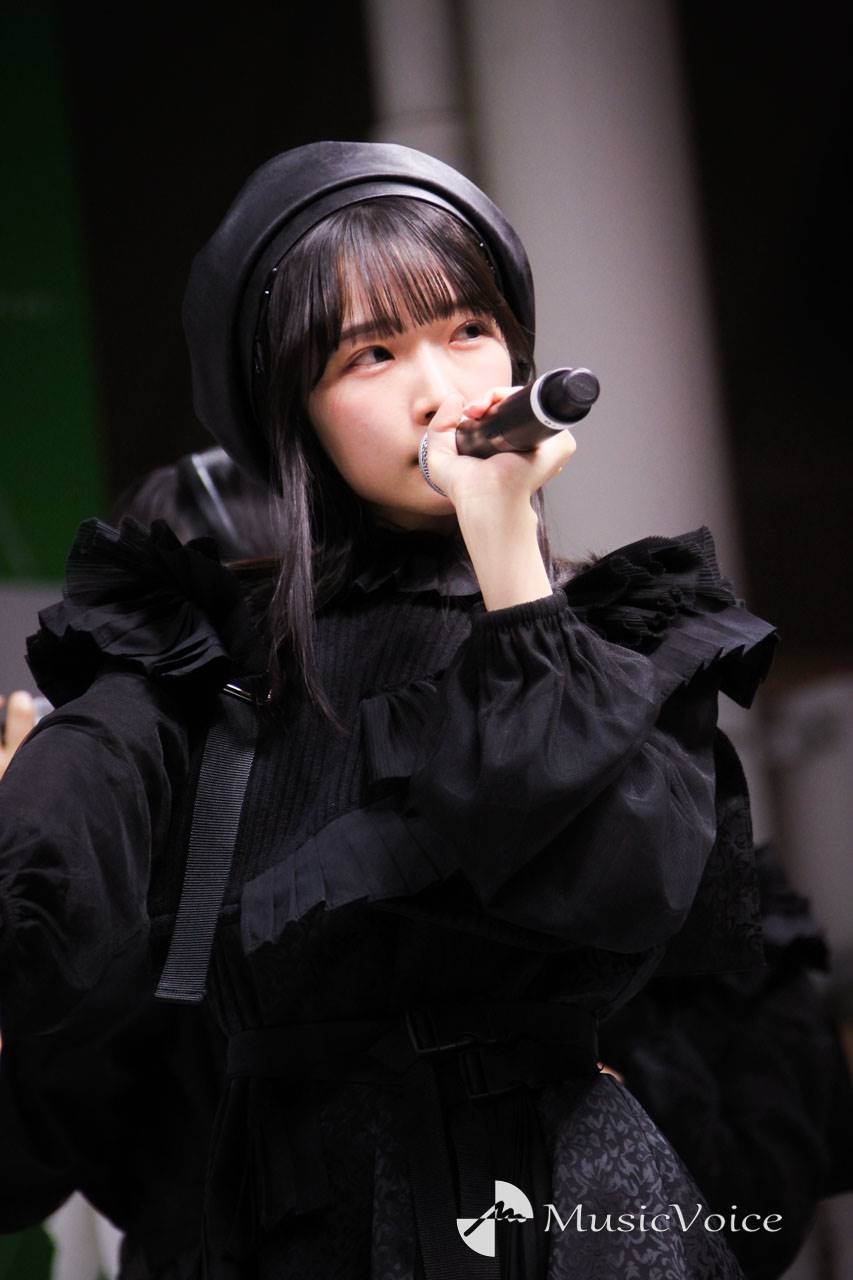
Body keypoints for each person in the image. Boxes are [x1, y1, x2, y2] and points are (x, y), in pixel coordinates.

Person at [0, 141, 779, 1279]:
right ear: (296, 412)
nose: (440, 388)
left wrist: (506, 552)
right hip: (288, 1222)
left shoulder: (623, 630)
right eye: (370, 352)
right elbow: (57, 880)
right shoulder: (202, 657)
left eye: (467, 330)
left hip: (555, 1223)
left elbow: (618, 886)